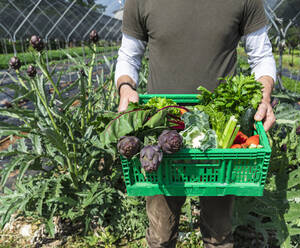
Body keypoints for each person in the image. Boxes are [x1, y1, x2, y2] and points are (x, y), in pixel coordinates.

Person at [114, 0, 276, 247]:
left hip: (221, 133)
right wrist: (125, 87)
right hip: (162, 127)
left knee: (218, 233)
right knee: (161, 233)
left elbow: (262, 57)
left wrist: (264, 98)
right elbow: (128, 56)